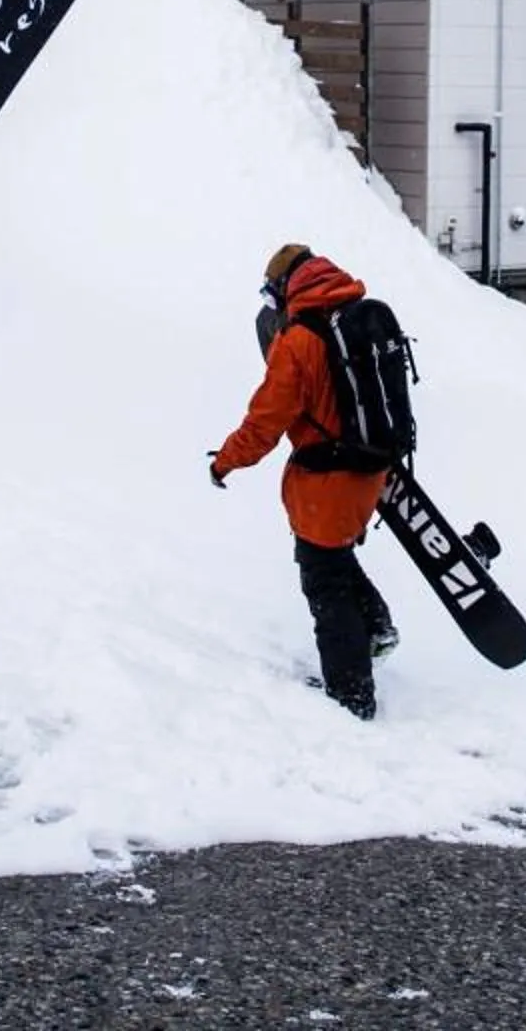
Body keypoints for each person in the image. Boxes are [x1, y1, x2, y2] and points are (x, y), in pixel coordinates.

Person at [209, 242, 398, 719]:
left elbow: (265, 423)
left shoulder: (300, 341)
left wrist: (225, 462)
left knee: (325, 585)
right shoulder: (352, 315)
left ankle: (352, 698)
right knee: (333, 559)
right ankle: (376, 626)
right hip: (370, 470)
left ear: (284, 286)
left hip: (326, 480)